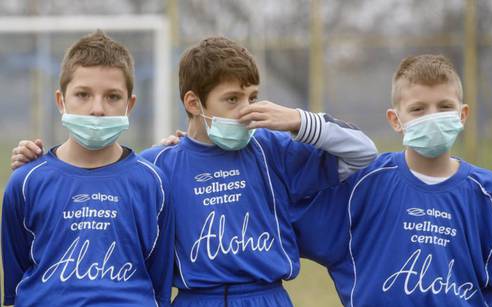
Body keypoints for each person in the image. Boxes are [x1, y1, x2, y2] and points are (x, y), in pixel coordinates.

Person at [9, 36, 378, 306]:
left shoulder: (273, 150)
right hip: (193, 299)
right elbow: (94, 185)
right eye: (232, 100)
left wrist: (297, 120)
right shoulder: (157, 165)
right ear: (193, 103)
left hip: (266, 297)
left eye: (252, 97)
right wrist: (37, 165)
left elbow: (363, 153)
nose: (247, 110)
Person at [292, 54, 492, 306]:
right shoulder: (364, 182)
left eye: (444, 107)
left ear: (462, 115)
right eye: (418, 109)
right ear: (395, 120)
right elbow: (286, 225)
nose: (432, 117)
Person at [2, 30, 174, 306]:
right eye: (83, 94)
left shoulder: (153, 183)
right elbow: (19, 277)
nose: (97, 109)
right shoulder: (26, 181)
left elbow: (158, 283)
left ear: (130, 105)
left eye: (112, 97)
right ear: (61, 101)